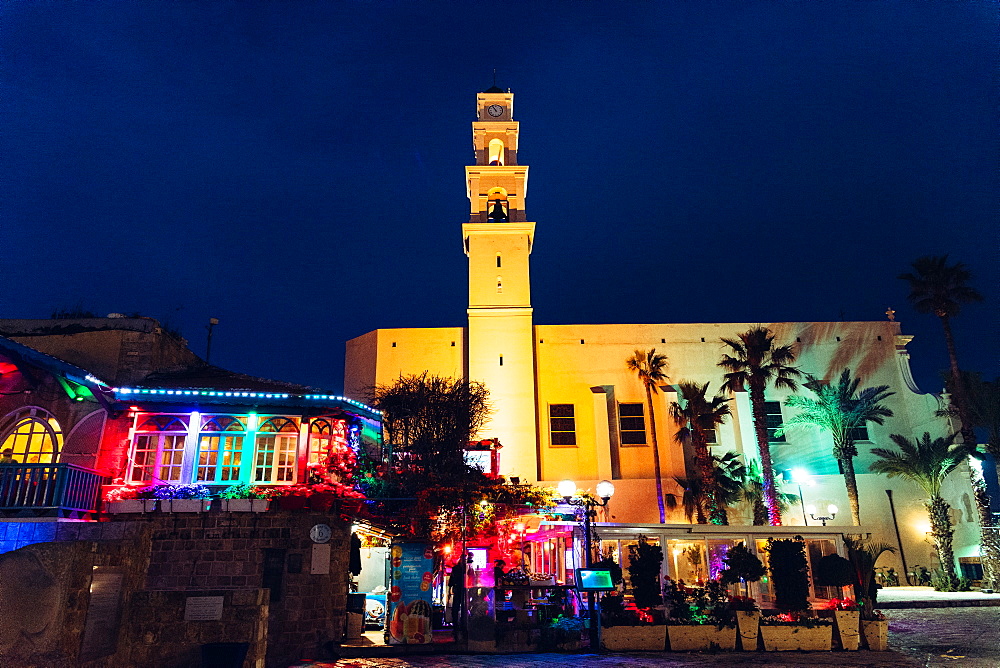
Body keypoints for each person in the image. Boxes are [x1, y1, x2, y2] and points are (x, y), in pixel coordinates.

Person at [448, 553, 470, 640]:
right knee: (456, 608)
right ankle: (456, 626)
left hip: (464, 589)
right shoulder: (457, 568)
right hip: (459, 589)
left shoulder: (467, 568)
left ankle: (461, 625)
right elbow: (452, 579)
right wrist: (450, 590)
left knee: (463, 608)